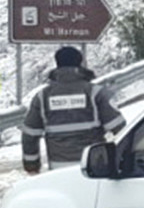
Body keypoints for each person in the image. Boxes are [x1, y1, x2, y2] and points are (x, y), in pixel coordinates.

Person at [21, 46, 125, 174]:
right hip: (94, 168)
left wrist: (31, 166)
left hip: (58, 171)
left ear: (57, 65)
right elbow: (121, 129)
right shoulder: (95, 93)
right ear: (80, 63)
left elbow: (29, 134)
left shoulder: (42, 97)